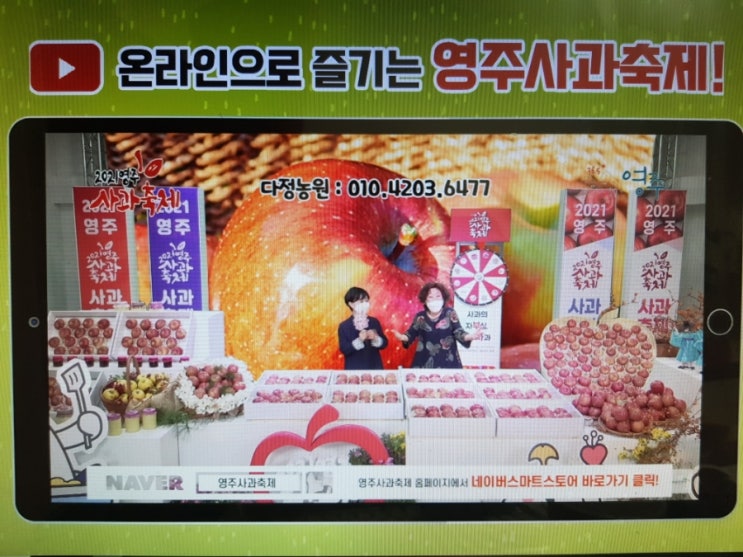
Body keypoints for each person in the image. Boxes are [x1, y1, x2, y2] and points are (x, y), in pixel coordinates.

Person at [391, 282, 482, 368]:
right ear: (424, 300)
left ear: (443, 298)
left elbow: (458, 332)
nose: (434, 299)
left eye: (438, 296)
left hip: (448, 362)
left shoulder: (450, 313)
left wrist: (471, 336)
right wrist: (402, 337)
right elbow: (411, 333)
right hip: (424, 362)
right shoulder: (420, 317)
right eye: (430, 297)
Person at [338, 287, 388, 370]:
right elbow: (344, 349)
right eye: (361, 301)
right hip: (354, 369)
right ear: (351, 304)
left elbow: (385, 344)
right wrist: (359, 340)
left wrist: (376, 338)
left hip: (374, 367)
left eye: (366, 301)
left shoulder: (374, 322)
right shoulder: (344, 326)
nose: (365, 304)